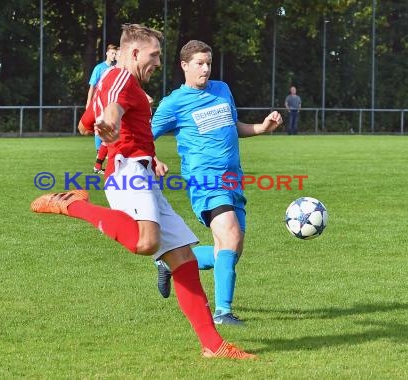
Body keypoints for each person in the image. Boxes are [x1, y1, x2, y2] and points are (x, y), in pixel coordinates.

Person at [32, 25, 255, 359]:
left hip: (141, 169)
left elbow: (84, 124)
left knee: (183, 259)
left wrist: (117, 133)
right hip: (127, 170)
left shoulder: (112, 83)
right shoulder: (122, 79)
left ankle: (214, 345)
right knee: (146, 242)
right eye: (154, 55)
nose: (158, 62)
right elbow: (112, 113)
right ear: (135, 52)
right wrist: (112, 122)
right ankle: (73, 205)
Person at [151, 40, 282, 325]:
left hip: (233, 179)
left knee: (231, 251)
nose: (206, 69)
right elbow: (144, 136)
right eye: (199, 63)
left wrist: (261, 127)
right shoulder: (173, 103)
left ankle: (168, 261)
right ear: (184, 65)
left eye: (208, 63)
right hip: (205, 180)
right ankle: (223, 313)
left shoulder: (222, 90)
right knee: (230, 236)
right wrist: (151, 159)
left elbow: (233, 127)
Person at [86, 44, 118, 174]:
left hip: (111, 103)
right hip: (99, 103)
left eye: (115, 53)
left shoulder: (116, 69)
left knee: (110, 129)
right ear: (107, 53)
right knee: (100, 127)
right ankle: (99, 153)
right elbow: (92, 86)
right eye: (112, 53)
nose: (114, 55)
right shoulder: (99, 68)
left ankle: (102, 160)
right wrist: (89, 102)